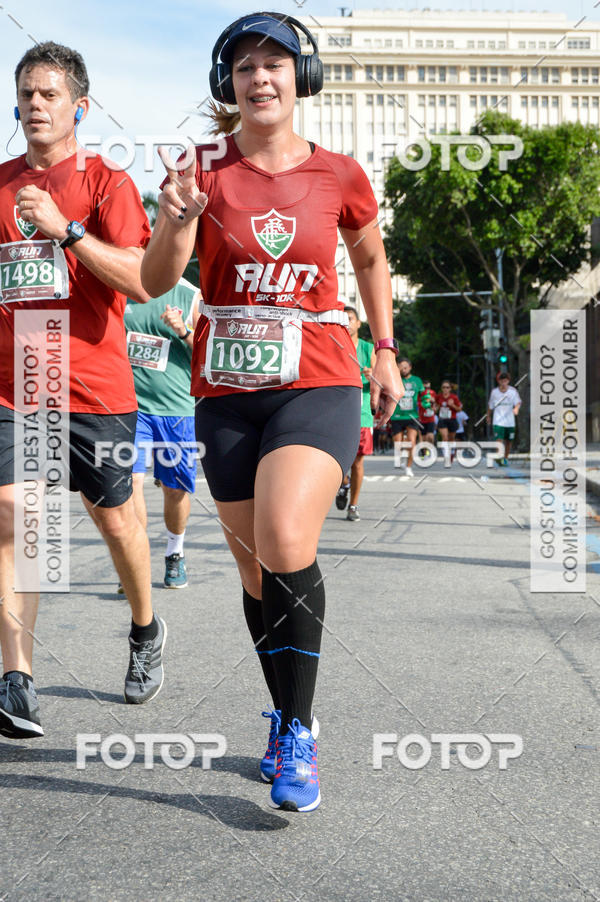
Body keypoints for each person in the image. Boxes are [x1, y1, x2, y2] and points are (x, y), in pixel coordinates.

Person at [140, 12, 402, 812]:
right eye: (245, 66)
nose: (260, 77)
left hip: (318, 381)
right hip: (224, 394)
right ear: (230, 86)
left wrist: (384, 347)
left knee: (289, 538)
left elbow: (367, 254)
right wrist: (177, 219)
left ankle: (299, 729)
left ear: (301, 78)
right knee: (257, 568)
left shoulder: (340, 175)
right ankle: (285, 715)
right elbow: (156, 280)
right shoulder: (203, 170)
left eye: (275, 64)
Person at [0, 42, 166, 740]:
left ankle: (146, 626)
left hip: (96, 388)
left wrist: (66, 232)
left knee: (117, 521)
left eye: (49, 94)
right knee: (16, 518)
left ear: (79, 107)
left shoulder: (108, 184)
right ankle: (17, 680)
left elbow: (140, 278)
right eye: (25, 94)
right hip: (17, 390)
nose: (35, 105)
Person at [123, 278, 201, 588]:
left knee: (175, 489)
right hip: (131, 407)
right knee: (131, 481)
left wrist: (183, 330)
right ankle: (136, 559)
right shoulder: (122, 287)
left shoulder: (189, 294)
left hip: (176, 410)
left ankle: (175, 552)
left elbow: (209, 352)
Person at [335, 306, 375, 522]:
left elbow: (379, 381)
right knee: (337, 460)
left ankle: (354, 504)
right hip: (337, 413)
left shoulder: (369, 350)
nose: (347, 322)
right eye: (343, 319)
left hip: (362, 414)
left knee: (357, 462)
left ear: (359, 323)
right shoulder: (334, 346)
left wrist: (372, 375)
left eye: (350, 319)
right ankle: (343, 484)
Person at [390, 358, 423, 476]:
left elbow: (424, 395)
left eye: (405, 367)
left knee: (412, 442)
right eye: (400, 367)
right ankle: (403, 457)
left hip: (412, 416)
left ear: (410, 367)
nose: (403, 369)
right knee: (398, 444)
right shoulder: (393, 379)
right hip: (397, 416)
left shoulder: (417, 381)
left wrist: (427, 403)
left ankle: (409, 467)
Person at [487, 372, 521, 465]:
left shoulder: (513, 391)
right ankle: (500, 456)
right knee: (499, 439)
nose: (503, 383)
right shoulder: (494, 392)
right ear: (499, 382)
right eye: (502, 381)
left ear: (508, 381)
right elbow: (490, 405)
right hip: (498, 420)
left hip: (510, 421)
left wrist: (516, 409)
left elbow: (518, 402)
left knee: (509, 441)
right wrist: (488, 416)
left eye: (505, 381)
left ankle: (505, 458)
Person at [435, 381, 462, 463]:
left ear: (450, 389)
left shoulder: (454, 397)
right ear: (441, 388)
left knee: (451, 438)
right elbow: (436, 405)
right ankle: (446, 454)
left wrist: (452, 405)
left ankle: (452, 452)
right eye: (443, 387)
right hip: (442, 419)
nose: (445, 389)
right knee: (445, 437)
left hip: (452, 419)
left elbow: (459, 409)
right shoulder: (438, 396)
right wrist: (435, 408)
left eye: (447, 387)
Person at [417, 379, 437, 453]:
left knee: (430, 437)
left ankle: (429, 449)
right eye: (425, 388)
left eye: (428, 388)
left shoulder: (433, 393)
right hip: (421, 419)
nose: (427, 390)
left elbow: (436, 406)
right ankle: (424, 452)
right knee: (423, 438)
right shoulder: (419, 394)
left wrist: (433, 402)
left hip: (431, 419)